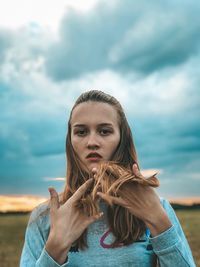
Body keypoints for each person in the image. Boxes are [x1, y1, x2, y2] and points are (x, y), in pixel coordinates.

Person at [20, 90, 196, 267]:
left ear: (122, 139)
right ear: (70, 141)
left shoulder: (158, 208)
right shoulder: (44, 217)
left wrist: (159, 222)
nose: (92, 142)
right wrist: (55, 248)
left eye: (104, 131)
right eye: (81, 132)